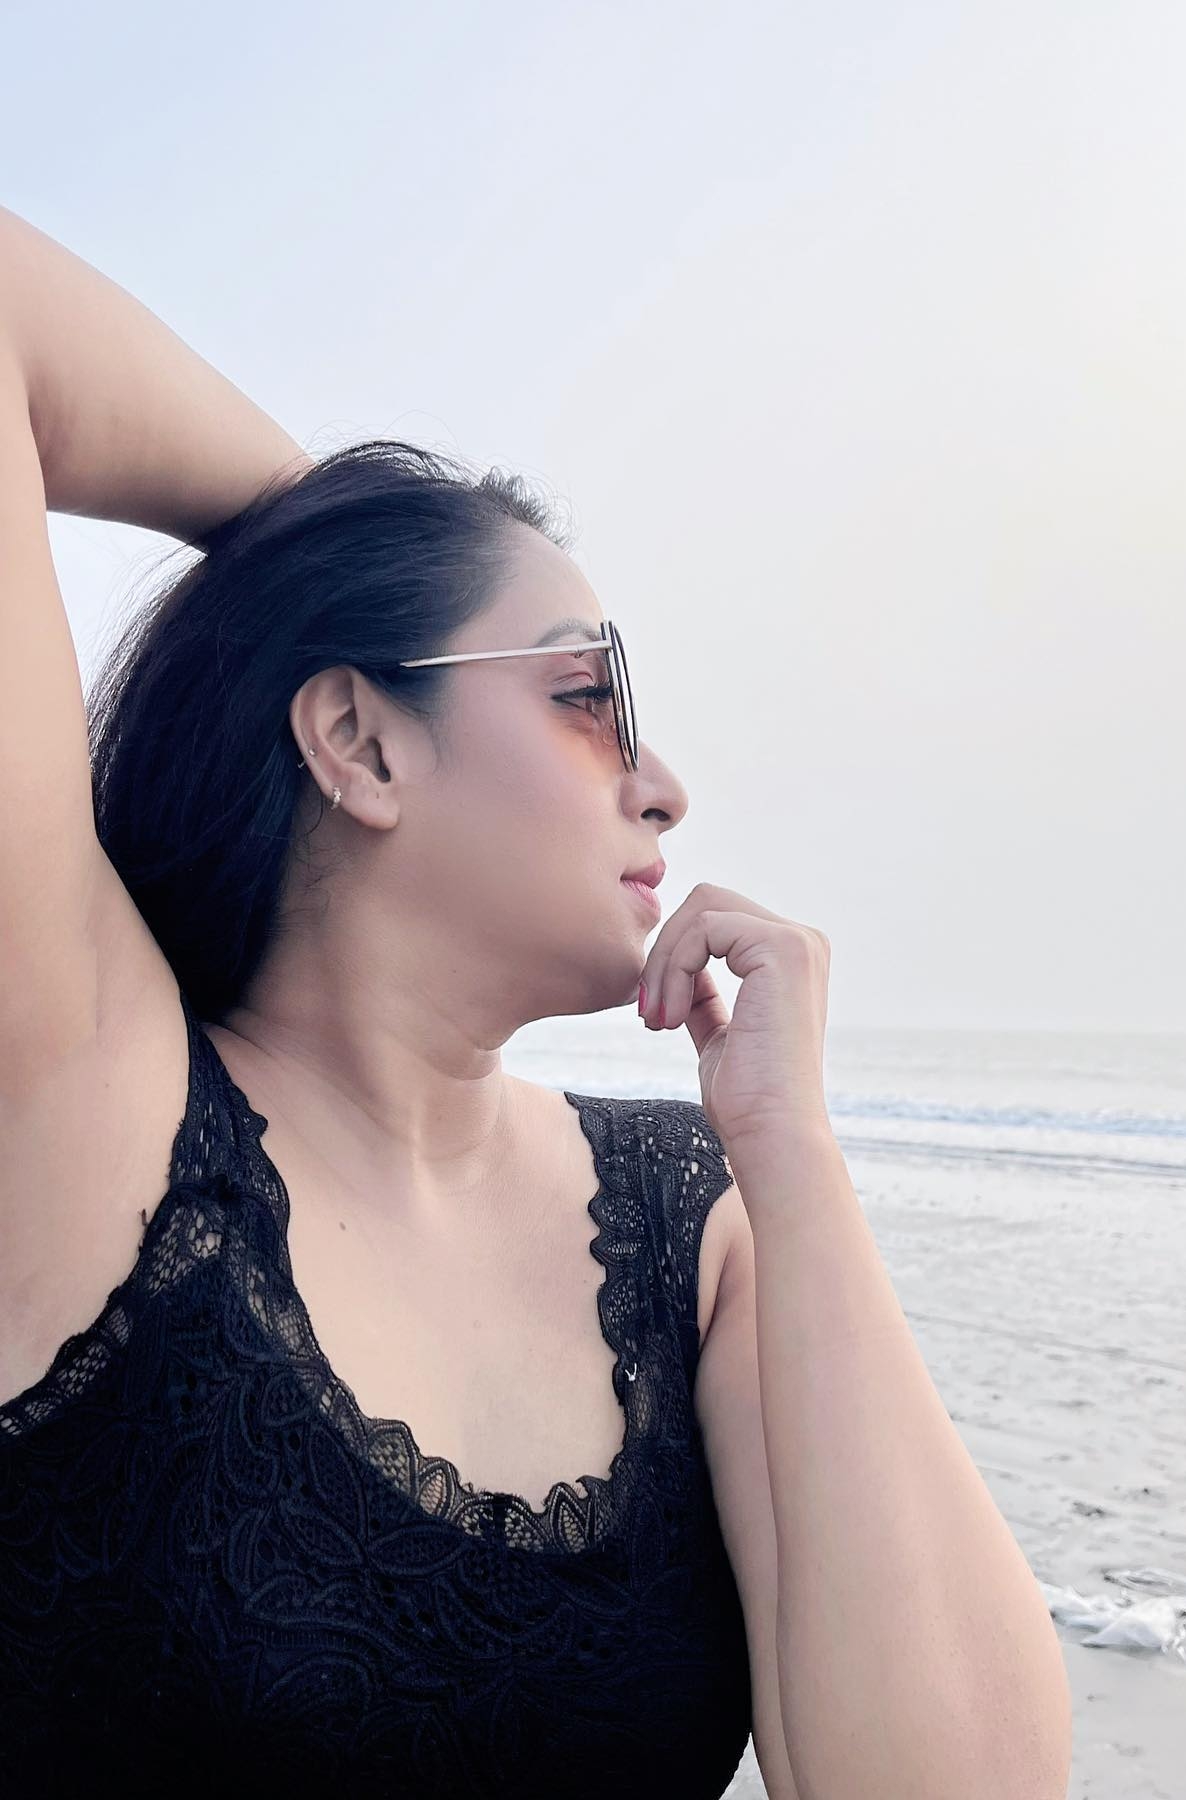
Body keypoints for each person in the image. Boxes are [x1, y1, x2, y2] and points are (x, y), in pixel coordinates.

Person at [0, 205, 1072, 1800]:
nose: (664, 784)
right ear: (361, 743)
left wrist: (795, 1162)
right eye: (587, 694)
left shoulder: (694, 1226)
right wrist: (339, 536)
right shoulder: (87, 1095)